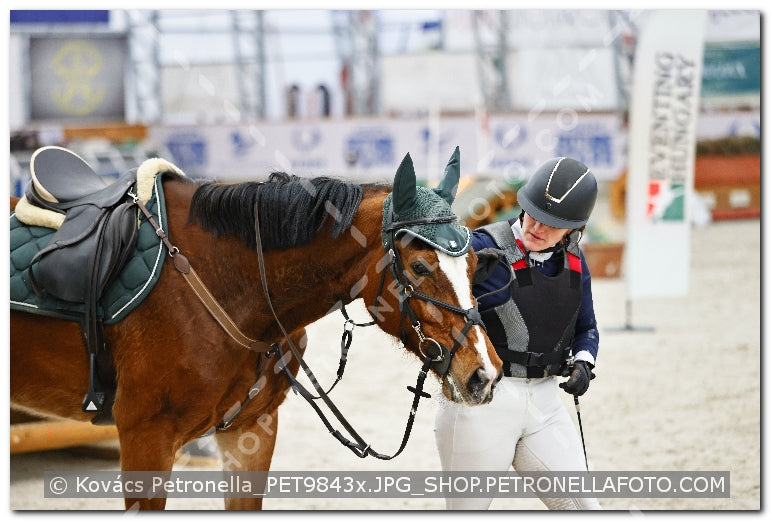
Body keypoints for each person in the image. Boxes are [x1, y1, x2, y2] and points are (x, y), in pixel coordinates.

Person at [434, 157, 602, 510]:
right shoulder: (480, 247)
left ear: (573, 229)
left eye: (551, 223)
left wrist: (584, 363)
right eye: (531, 212)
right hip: (482, 401)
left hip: (544, 403)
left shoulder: (575, 262)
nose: (536, 226)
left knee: (585, 508)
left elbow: (586, 327)